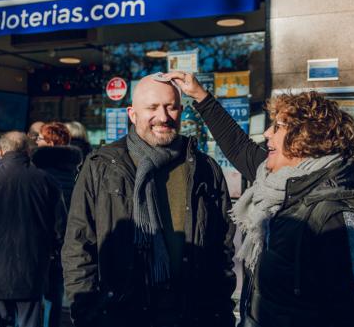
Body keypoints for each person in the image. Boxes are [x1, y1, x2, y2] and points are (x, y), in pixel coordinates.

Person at [166, 71, 354, 327]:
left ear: (306, 137)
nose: (267, 133)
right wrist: (200, 95)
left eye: (278, 127)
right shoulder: (282, 185)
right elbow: (238, 147)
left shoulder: (335, 216)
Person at [61, 75, 236, 327]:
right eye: (152, 108)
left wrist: (220, 313)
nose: (163, 117)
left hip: (191, 315)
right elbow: (78, 247)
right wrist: (87, 314)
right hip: (120, 316)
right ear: (132, 114)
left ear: (181, 111)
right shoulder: (101, 166)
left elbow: (223, 248)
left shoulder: (204, 168)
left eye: (171, 107)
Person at [0, 132, 65, 327]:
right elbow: (60, 228)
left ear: (0, 151)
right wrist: (48, 253)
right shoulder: (46, 182)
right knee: (29, 322)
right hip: (31, 270)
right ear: (29, 151)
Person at [31, 122, 82, 327]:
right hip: (66, 236)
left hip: (39, 236)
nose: (37, 141)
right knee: (55, 288)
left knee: (34, 291)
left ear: (50, 142)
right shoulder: (75, 170)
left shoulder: (38, 173)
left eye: (41, 138)